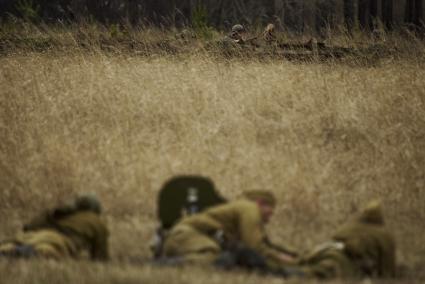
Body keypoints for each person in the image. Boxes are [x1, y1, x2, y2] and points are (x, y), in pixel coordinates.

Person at [162, 190, 297, 269]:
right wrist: (279, 258)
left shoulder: (242, 212)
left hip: (184, 240)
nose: (271, 215)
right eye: (270, 209)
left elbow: (263, 244)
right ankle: (161, 265)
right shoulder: (249, 208)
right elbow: (254, 246)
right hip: (185, 236)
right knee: (214, 259)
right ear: (260, 203)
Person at [298, 201, 396, 279]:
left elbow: (334, 237)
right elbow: (387, 270)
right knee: (320, 272)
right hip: (344, 262)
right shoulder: (384, 236)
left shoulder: (349, 226)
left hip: (326, 252)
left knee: (311, 269)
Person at [0, 193, 109, 261]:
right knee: (43, 252)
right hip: (56, 241)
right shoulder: (96, 221)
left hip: (31, 236)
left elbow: (28, 228)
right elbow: (100, 257)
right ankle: (18, 252)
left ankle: (11, 251)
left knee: (10, 246)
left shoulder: (64, 213)